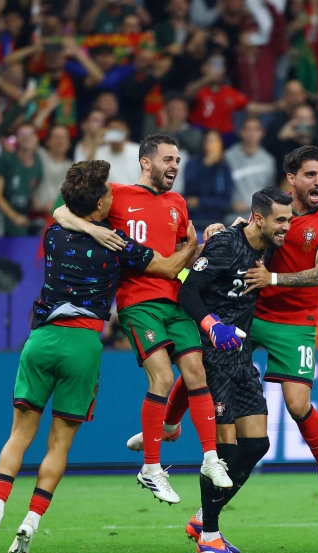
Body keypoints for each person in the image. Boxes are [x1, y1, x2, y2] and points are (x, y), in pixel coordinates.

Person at [0, 160, 198, 553]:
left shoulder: (55, 233)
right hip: (83, 345)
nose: (114, 195)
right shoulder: (119, 243)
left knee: (19, 435)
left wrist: (87, 223)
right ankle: (30, 523)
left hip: (39, 341)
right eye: (108, 193)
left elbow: (60, 210)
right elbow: (166, 267)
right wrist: (191, 244)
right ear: (97, 205)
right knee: (59, 444)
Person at [54, 134, 231, 505]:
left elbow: (184, 253)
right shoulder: (116, 193)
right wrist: (93, 228)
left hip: (176, 300)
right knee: (163, 377)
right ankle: (151, 468)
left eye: (178, 160)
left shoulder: (177, 203)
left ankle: (211, 458)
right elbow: (61, 211)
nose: (175, 166)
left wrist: (206, 241)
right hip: (138, 301)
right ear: (146, 163)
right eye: (168, 159)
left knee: (197, 372)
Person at [188, 146, 318, 522]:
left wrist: (273, 278)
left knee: (297, 405)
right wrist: (220, 230)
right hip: (253, 311)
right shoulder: (275, 209)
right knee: (207, 357)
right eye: (310, 175)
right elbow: (246, 232)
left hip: (297, 319)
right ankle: (168, 422)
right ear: (291, 179)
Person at [177, 187, 294, 553]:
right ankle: (210, 535)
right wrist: (212, 325)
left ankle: (202, 519)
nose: (286, 228)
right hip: (212, 356)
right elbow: (188, 292)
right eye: (280, 220)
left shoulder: (266, 243)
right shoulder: (224, 245)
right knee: (223, 450)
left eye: (288, 221)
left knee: (257, 445)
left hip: (240, 357)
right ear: (259, 218)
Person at [0, 123, 43, 236]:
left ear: (36, 138)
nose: (26, 137)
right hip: (3, 219)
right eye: (22, 134)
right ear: (17, 138)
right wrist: (14, 217)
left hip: (24, 219)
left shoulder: (38, 162)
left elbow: (32, 190)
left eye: (30, 134)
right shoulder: (5, 159)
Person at [225, 117, 276, 221]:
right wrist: (230, 204)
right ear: (241, 132)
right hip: (231, 218)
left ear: (262, 133)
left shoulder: (268, 160)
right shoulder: (227, 157)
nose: (251, 134)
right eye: (247, 130)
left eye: (255, 130)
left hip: (259, 219)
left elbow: (271, 192)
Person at [182, 130, 234, 228]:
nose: (213, 146)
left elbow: (225, 202)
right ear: (204, 144)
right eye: (210, 141)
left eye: (216, 141)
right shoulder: (192, 164)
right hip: (193, 219)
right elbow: (190, 191)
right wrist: (207, 166)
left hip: (217, 220)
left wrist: (200, 202)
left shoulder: (224, 167)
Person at [92, 118, 141, 185]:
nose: (115, 133)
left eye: (118, 130)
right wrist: (96, 144)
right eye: (112, 130)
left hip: (135, 192)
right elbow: (89, 175)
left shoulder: (138, 150)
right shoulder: (99, 152)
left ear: (127, 131)